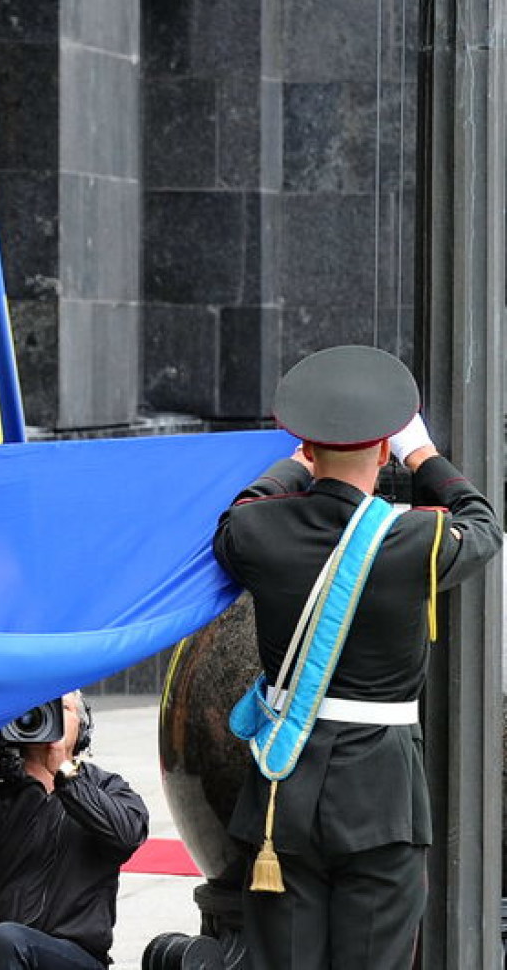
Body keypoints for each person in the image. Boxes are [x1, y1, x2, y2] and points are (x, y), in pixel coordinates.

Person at [212, 345, 501, 969]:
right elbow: (482, 525)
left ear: (308, 449)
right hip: (379, 798)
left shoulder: (257, 531)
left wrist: (290, 469)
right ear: (383, 448)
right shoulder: (416, 537)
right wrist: (422, 455)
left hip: (282, 791)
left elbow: (240, 511)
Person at [0, 692, 148, 970]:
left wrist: (64, 773)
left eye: (62, 708)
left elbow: (127, 836)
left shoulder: (107, 788)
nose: (50, 716)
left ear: (83, 726)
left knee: (8, 939)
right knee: (3, 942)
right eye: (38, 707)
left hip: (71, 957)